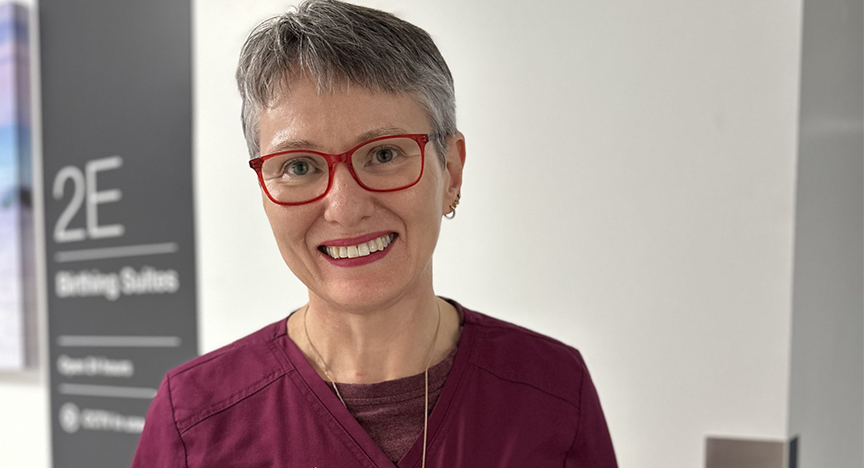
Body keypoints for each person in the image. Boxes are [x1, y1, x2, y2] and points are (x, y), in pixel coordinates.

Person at [131, 1, 617, 466]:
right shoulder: (193, 419)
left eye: (383, 155)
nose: (344, 209)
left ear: (451, 170)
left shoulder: (553, 391)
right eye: (298, 166)